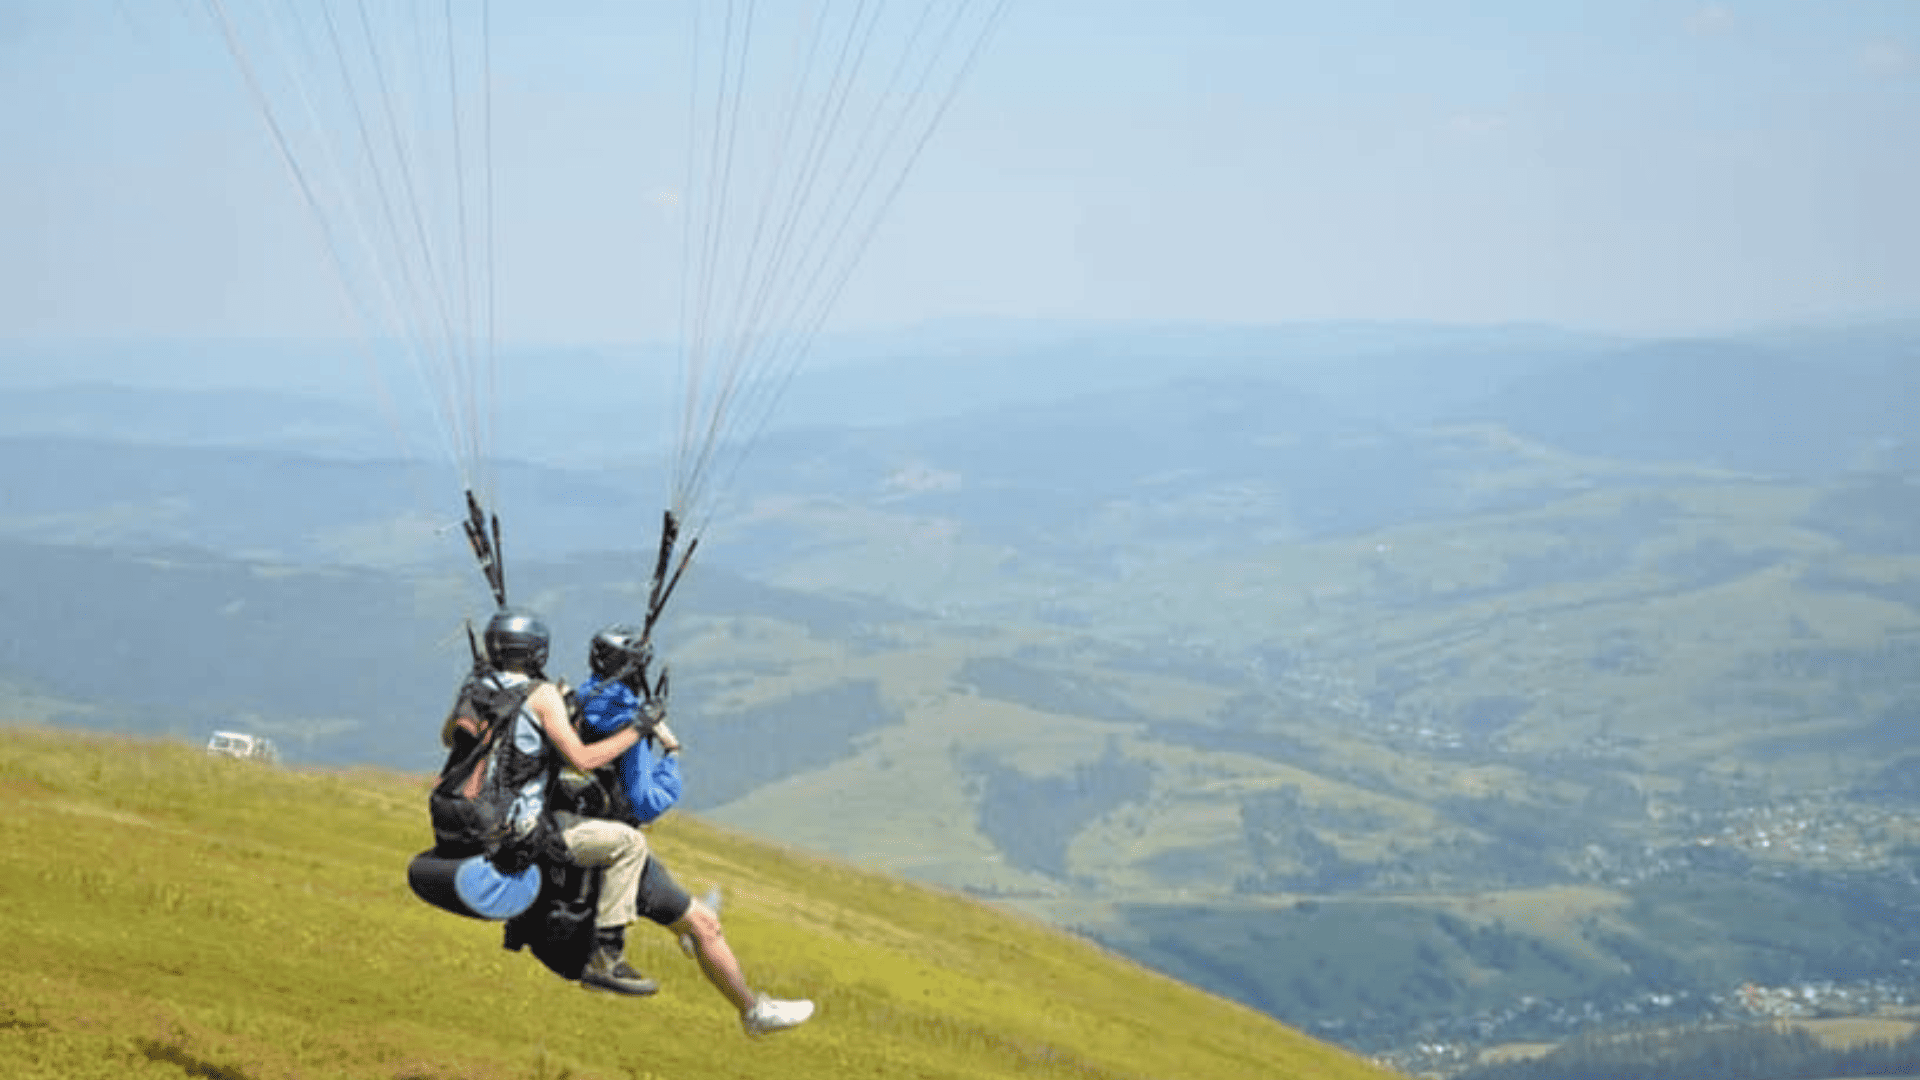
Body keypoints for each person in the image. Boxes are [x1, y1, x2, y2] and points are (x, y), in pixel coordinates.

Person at [575, 623, 815, 1036]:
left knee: (680, 903)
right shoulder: (628, 723)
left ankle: (685, 927)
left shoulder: (582, 698)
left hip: (580, 826)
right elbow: (646, 802)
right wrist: (671, 755)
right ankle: (753, 1012)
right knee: (707, 925)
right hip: (611, 846)